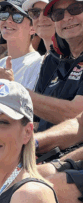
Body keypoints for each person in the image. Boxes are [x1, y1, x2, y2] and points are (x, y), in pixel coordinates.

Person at [30, 0, 83, 132]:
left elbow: (76, 115)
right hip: (42, 148)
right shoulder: (51, 60)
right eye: (58, 14)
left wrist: (19, 92)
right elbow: (35, 121)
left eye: (75, 9)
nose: (67, 18)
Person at [0, 0, 43, 91]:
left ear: (33, 29)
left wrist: (7, 84)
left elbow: (29, 103)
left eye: (17, 17)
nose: (8, 20)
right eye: (4, 15)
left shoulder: (39, 64)